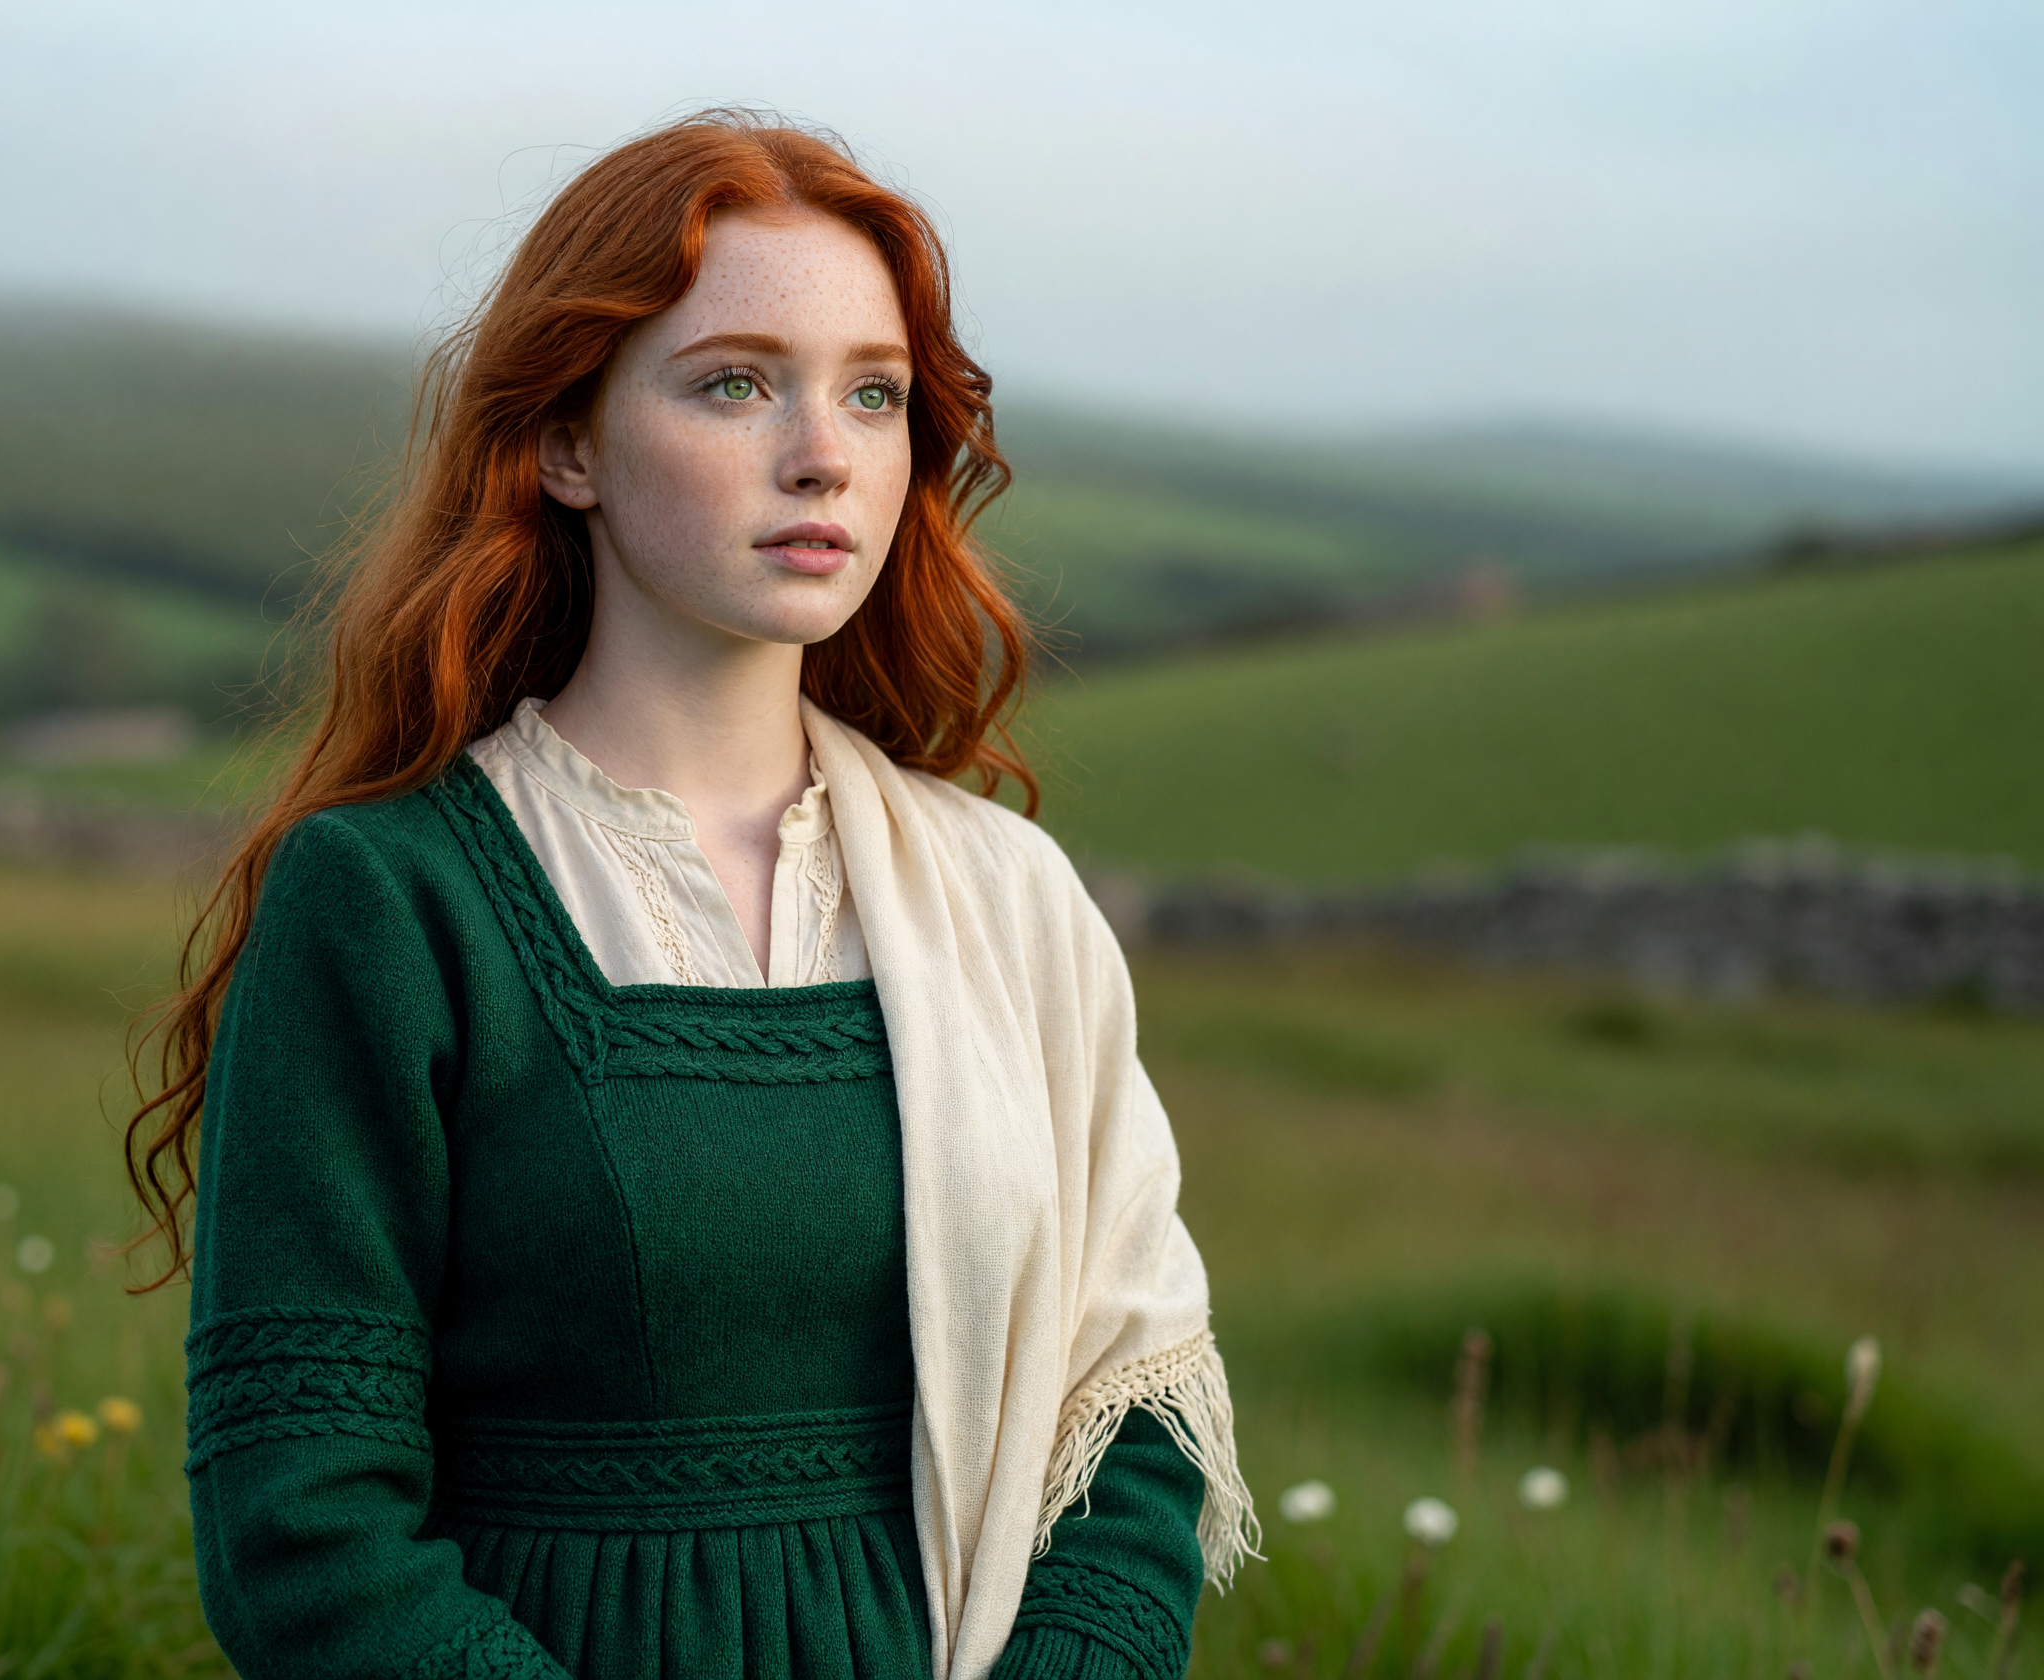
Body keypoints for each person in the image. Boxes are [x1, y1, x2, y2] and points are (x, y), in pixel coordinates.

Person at [126, 110, 1255, 1680]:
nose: (823, 452)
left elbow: (1129, 1407)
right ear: (567, 443)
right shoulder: (392, 902)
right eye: (736, 383)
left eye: (875, 393)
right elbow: (302, 1531)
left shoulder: (1006, 899)